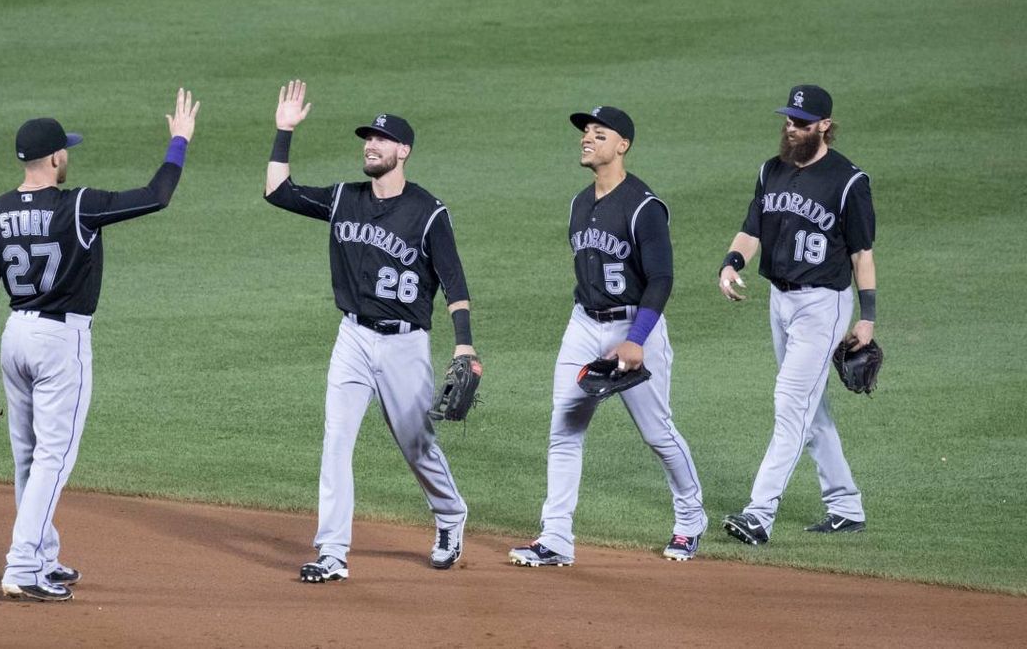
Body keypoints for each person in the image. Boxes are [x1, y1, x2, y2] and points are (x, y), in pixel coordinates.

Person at [0, 89, 200, 601]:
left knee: (27, 455)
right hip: (58, 341)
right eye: (65, 149)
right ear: (54, 158)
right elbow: (156, 195)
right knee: (54, 458)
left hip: (13, 337)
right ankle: (23, 567)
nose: (68, 155)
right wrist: (178, 141)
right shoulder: (80, 206)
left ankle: (42, 554)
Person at [263, 80, 475, 583]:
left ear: (404, 151)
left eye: (381, 139)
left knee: (415, 442)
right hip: (353, 338)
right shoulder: (344, 198)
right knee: (336, 440)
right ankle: (332, 552)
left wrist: (464, 341)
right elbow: (277, 191)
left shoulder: (428, 211)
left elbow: (455, 283)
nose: (371, 145)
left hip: (405, 342)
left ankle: (450, 514)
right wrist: (283, 131)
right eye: (367, 138)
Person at [509, 106, 708, 566]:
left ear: (623, 146)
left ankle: (691, 516)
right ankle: (556, 539)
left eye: (599, 134)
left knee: (657, 432)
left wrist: (636, 338)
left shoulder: (644, 206)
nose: (587, 139)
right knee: (565, 428)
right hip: (583, 323)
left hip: (636, 327)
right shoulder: (580, 202)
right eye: (585, 133)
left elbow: (661, 278)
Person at [718, 84, 876, 545]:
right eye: (788, 120)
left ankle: (759, 514)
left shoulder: (848, 181)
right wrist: (731, 262)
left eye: (802, 123)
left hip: (823, 305)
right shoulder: (772, 171)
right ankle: (846, 506)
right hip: (780, 301)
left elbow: (862, 254)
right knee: (812, 408)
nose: (792, 128)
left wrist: (866, 318)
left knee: (790, 405)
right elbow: (752, 230)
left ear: (824, 126)